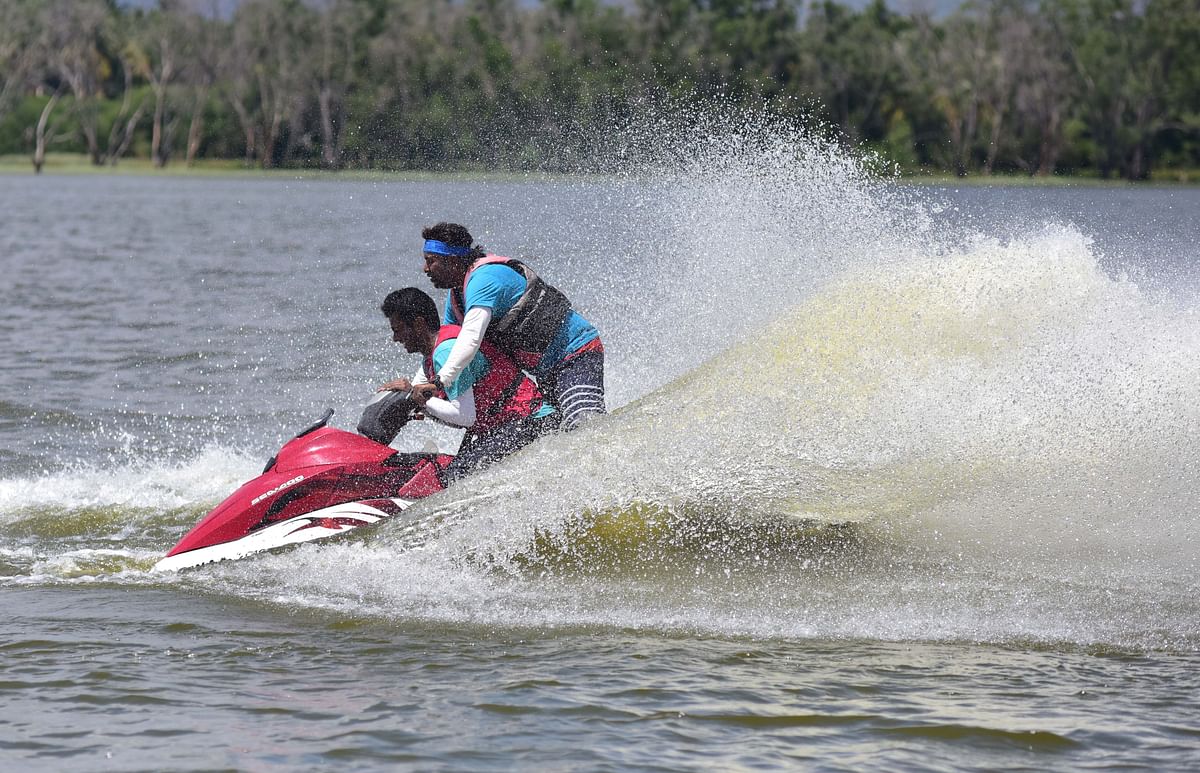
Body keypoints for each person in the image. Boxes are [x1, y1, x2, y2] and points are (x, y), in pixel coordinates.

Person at [415, 222, 605, 431]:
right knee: (561, 432)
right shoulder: (456, 299)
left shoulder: (484, 280)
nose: (425, 269)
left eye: (430, 261)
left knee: (584, 424)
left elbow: (470, 338)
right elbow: (447, 346)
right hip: (545, 369)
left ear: (451, 260)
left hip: (576, 353)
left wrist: (439, 382)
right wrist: (415, 391)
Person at [377, 287, 557, 485]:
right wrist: (418, 406)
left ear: (418, 324)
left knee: (455, 479)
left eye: (398, 330)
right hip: (505, 424)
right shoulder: (432, 354)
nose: (395, 338)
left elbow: (465, 415)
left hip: (532, 420)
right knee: (449, 474)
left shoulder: (445, 351)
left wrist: (417, 398)